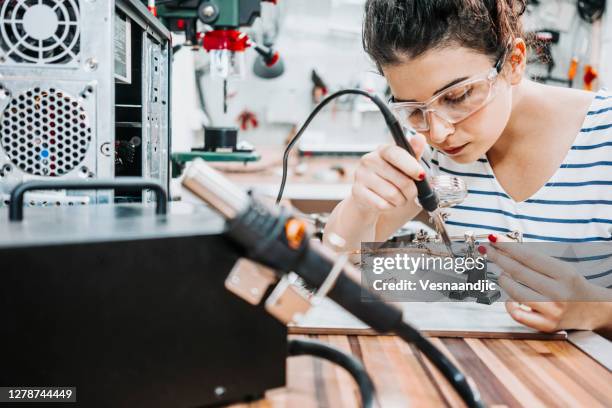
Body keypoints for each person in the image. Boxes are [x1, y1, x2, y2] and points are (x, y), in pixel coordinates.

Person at [324, 0, 612, 336]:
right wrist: (361, 207)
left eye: (458, 96)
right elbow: (337, 259)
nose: (439, 132)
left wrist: (594, 309)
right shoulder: (436, 155)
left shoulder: (604, 135)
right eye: (414, 110)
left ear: (514, 62)